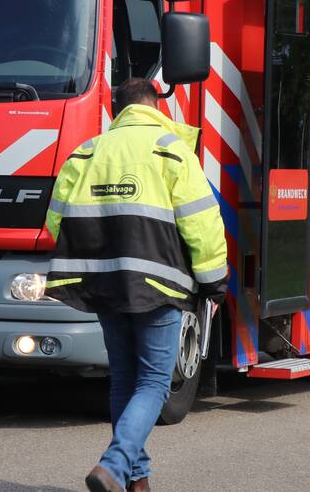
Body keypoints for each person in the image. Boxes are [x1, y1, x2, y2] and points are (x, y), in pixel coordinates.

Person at [45, 78, 228, 492]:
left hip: (105, 284)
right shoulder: (171, 149)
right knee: (153, 383)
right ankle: (113, 465)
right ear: (153, 105)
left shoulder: (88, 152)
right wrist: (214, 279)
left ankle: (136, 480)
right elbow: (202, 223)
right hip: (158, 284)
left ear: (118, 109)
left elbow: (55, 220)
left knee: (124, 381)